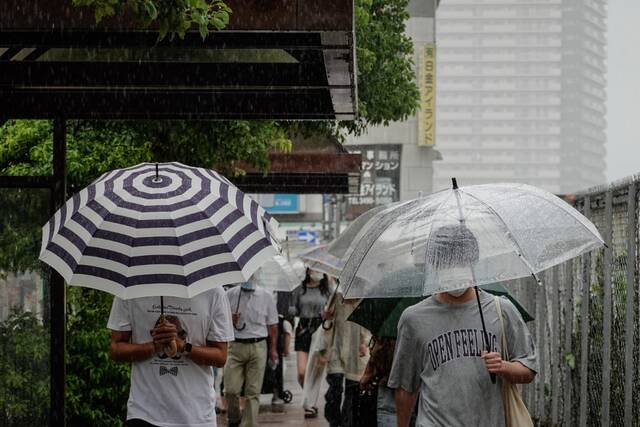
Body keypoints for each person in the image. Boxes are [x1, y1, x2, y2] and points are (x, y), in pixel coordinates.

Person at [388, 225, 538, 427]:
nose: (453, 268)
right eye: (446, 262)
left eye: (459, 260)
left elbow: (528, 370)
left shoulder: (502, 310)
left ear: (473, 262)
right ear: (434, 264)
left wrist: (503, 366)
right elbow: (405, 387)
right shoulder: (413, 319)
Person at [108, 288, 234, 427]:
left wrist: (183, 347)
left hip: (197, 415)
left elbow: (220, 356)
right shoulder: (130, 290)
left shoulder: (213, 292)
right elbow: (116, 349)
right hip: (143, 413)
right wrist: (154, 346)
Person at [224, 281, 278, 427]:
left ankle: (248, 424)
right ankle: (234, 419)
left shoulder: (266, 296)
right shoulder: (230, 295)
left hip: (258, 346)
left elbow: (273, 325)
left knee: (253, 392)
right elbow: (219, 320)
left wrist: (273, 349)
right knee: (230, 390)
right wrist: (229, 319)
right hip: (235, 346)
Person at [288, 267, 332, 418]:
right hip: (303, 330)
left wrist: (327, 313)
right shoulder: (299, 289)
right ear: (308, 270)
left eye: (320, 268)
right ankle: (309, 397)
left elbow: (333, 309)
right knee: (302, 372)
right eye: (314, 268)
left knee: (316, 370)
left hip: (320, 331)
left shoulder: (327, 290)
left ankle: (310, 405)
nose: (317, 271)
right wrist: (293, 310)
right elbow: (292, 308)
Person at [324, 296, 370, 427]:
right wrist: (327, 315)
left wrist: (365, 342)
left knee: (352, 391)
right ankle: (334, 421)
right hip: (337, 348)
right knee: (334, 388)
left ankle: (347, 423)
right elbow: (327, 319)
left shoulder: (366, 299)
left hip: (357, 351)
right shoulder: (337, 297)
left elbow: (369, 324)